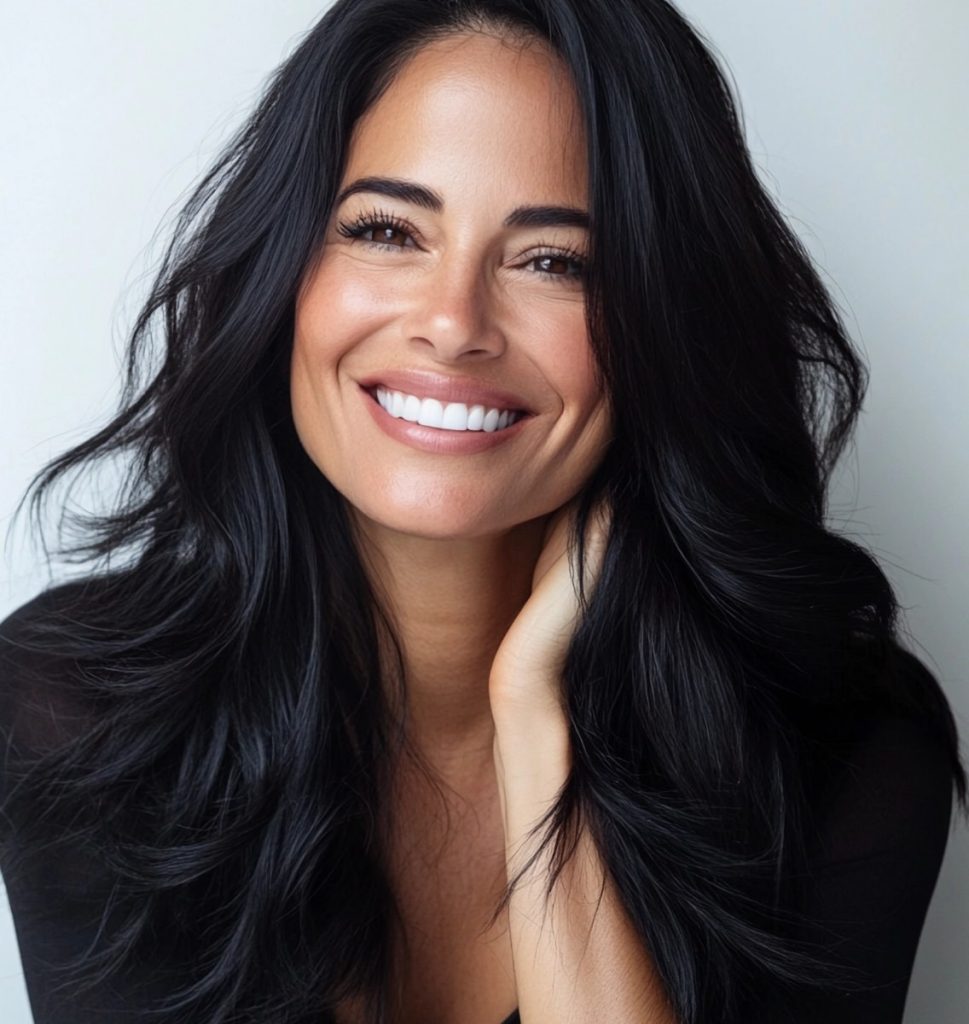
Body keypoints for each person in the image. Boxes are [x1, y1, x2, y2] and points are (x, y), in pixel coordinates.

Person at [0, 1, 965, 1022]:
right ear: (282, 273)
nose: (455, 323)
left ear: (665, 321)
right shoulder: (78, 723)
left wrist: (539, 731)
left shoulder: (849, 753)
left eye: (554, 260)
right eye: (386, 230)